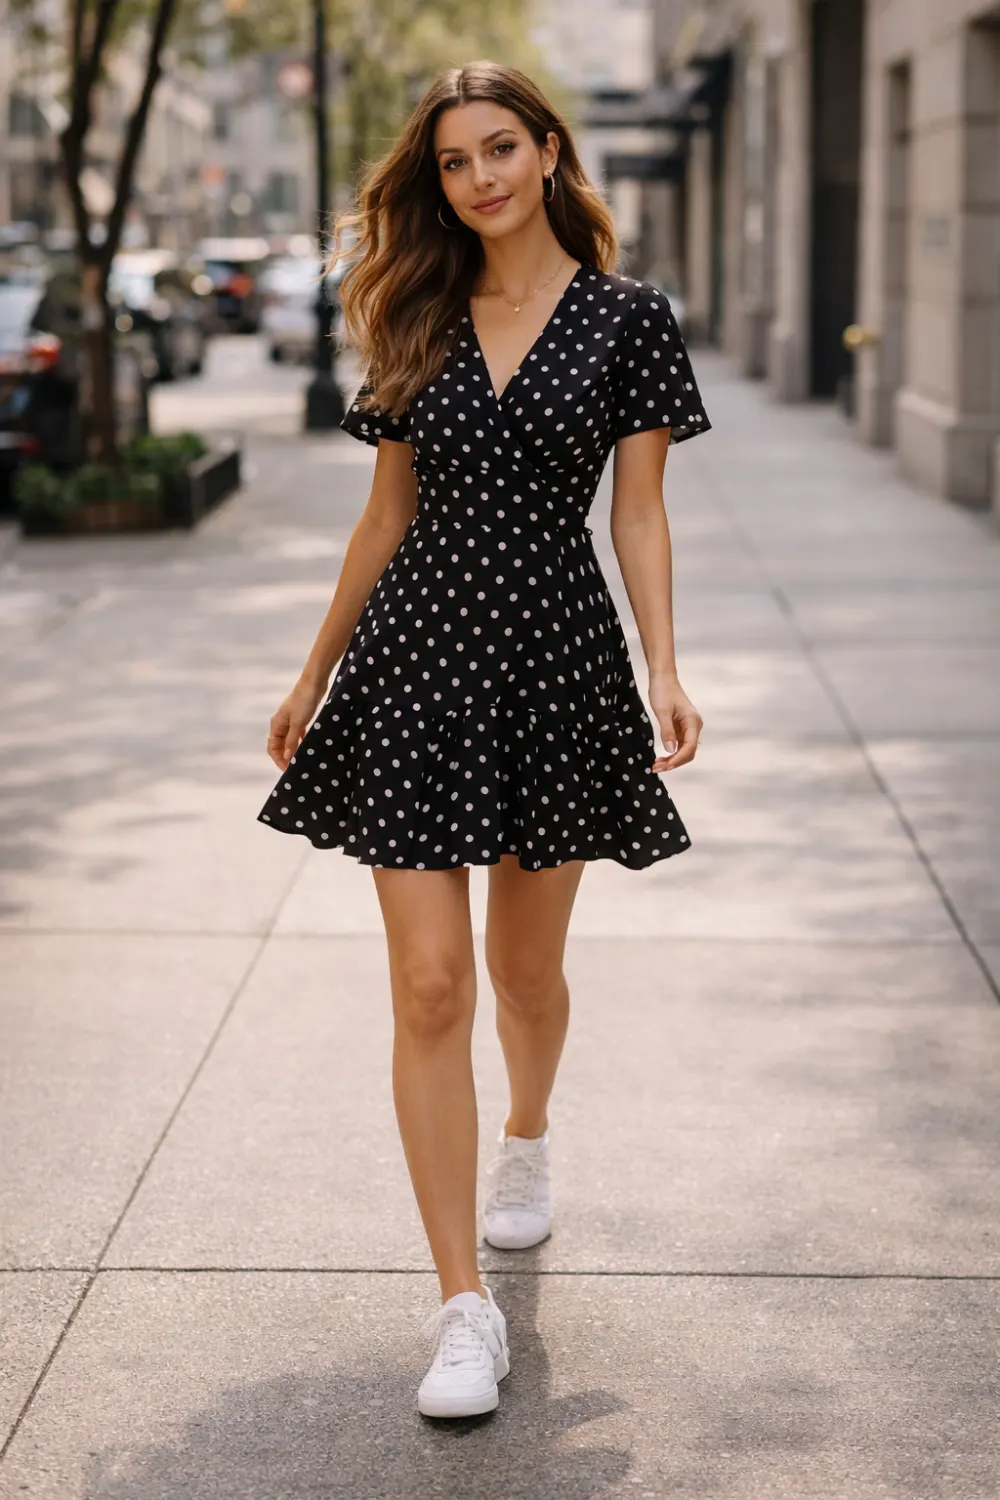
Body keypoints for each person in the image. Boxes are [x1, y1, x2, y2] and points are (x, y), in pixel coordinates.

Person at [257, 59, 711, 1420]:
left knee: (524, 977)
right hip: (414, 667)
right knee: (432, 989)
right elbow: (386, 514)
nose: (479, 180)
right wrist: (311, 672)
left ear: (550, 149)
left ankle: (527, 1136)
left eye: (499, 149)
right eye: (455, 163)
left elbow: (636, 513)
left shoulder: (629, 319)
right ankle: (463, 1310)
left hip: (556, 666)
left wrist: (666, 663)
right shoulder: (417, 308)